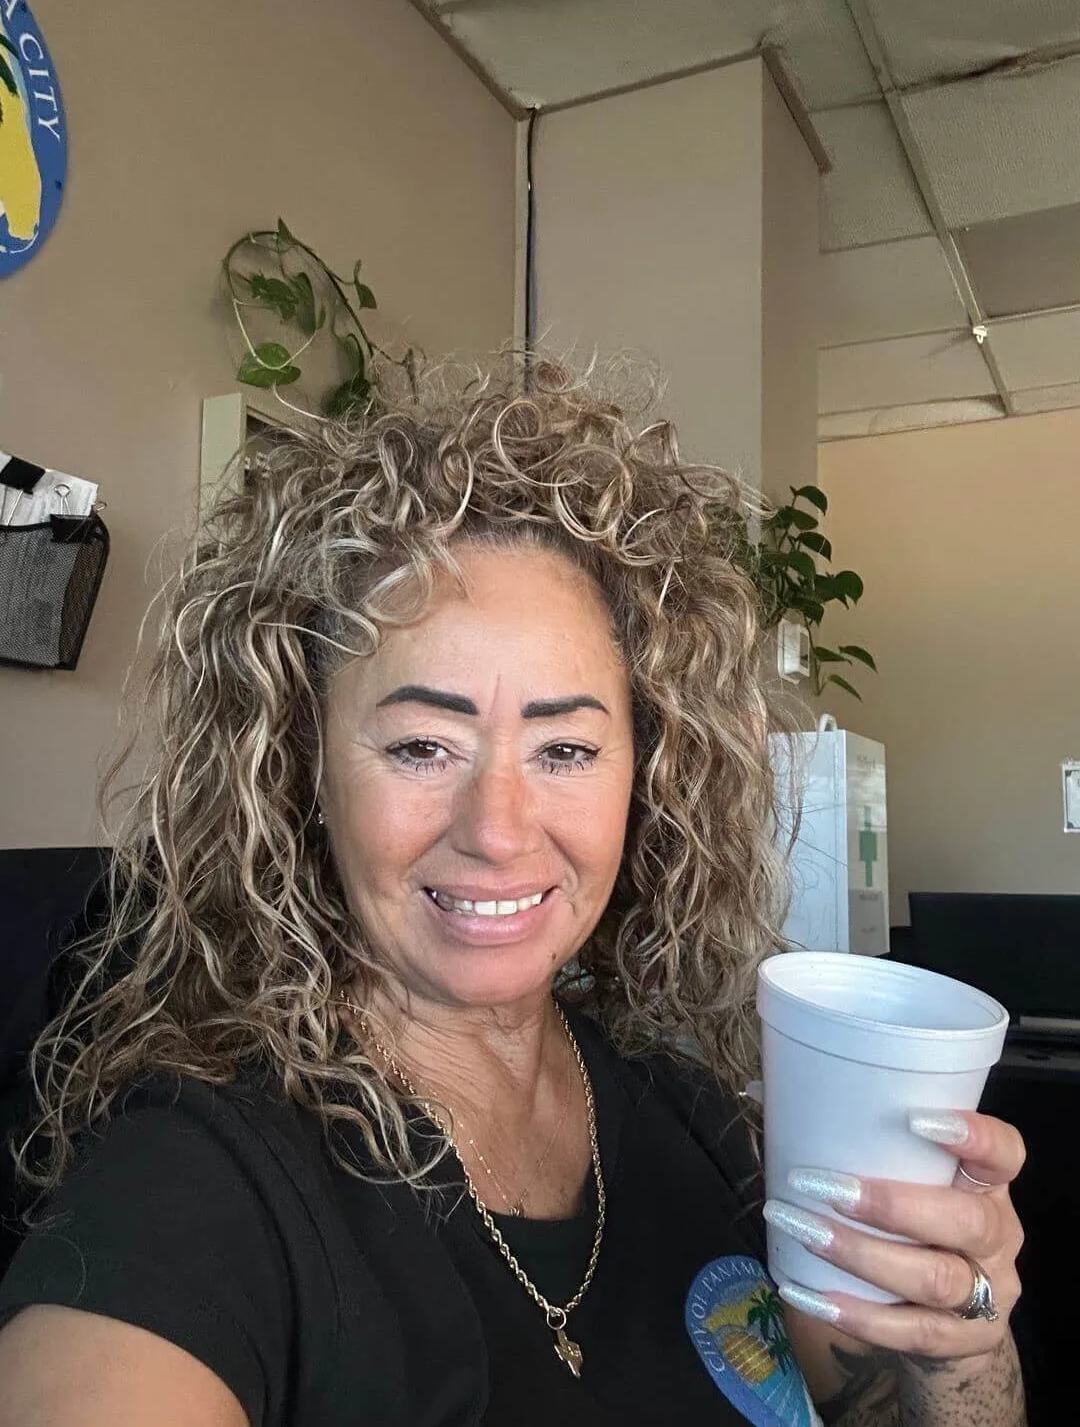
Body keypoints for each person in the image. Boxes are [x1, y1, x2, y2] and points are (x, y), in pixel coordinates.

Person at [0, 363, 1026, 1426]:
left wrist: (962, 1349)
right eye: (422, 746)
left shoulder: (695, 1118)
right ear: (303, 774)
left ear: (647, 778)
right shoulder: (197, 1182)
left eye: (565, 749)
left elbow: (869, 1407)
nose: (496, 830)